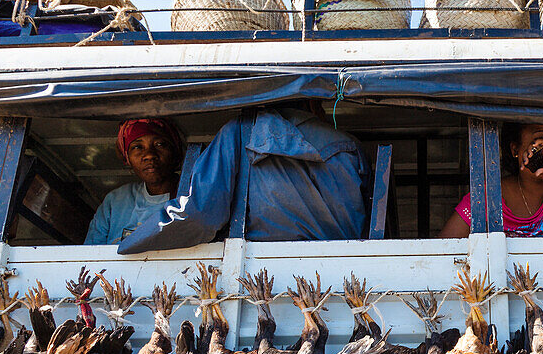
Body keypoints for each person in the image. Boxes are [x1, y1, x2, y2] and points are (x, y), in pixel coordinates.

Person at [116, 106, 369, 254]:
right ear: (314, 103)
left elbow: (199, 214)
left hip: (262, 274)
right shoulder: (350, 146)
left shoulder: (240, 132)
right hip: (345, 277)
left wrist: (132, 242)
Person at [84, 118, 184, 245]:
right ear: (128, 159)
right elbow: (91, 255)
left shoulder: (191, 197)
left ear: (175, 153)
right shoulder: (116, 201)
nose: (149, 155)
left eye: (160, 144)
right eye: (137, 147)